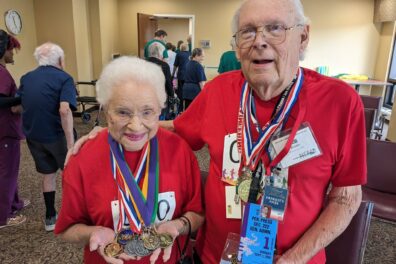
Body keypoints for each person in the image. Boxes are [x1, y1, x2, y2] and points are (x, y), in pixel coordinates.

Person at [70, 0, 366, 263]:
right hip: (215, 255)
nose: (259, 41)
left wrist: (294, 259)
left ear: (303, 37)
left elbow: (346, 199)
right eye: (248, 31)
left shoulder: (340, 102)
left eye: (275, 28)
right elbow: (177, 127)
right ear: (237, 46)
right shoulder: (219, 91)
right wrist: (114, 128)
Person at [55, 56, 204, 264]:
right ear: (107, 111)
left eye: (147, 112)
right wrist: (93, 233)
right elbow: (67, 229)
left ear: (159, 111)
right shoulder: (83, 159)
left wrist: (178, 225)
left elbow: (197, 213)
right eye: (123, 112)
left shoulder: (179, 150)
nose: (136, 125)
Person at [17, 42, 77, 231]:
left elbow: (16, 107)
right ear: (60, 59)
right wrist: (70, 143)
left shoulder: (26, 78)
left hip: (34, 136)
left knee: (48, 175)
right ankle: (72, 216)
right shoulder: (64, 78)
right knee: (70, 174)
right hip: (56, 136)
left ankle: (50, 217)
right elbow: (65, 110)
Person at [0, 29, 29, 229]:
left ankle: (14, 202)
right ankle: (4, 215)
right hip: (4, 131)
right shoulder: (0, 72)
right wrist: (24, 97)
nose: (13, 54)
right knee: (6, 172)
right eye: (11, 50)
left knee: (9, 169)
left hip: (7, 129)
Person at [146, 42, 175, 120]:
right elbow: (168, 83)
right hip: (160, 97)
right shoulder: (164, 65)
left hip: (144, 97)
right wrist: (172, 94)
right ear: (160, 53)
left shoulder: (142, 64)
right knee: (160, 119)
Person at [172, 44, 190, 112]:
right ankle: (187, 109)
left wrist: (173, 74)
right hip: (188, 76)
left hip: (181, 75)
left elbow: (175, 65)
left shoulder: (179, 54)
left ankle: (180, 110)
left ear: (181, 48)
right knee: (187, 92)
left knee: (180, 92)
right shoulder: (190, 54)